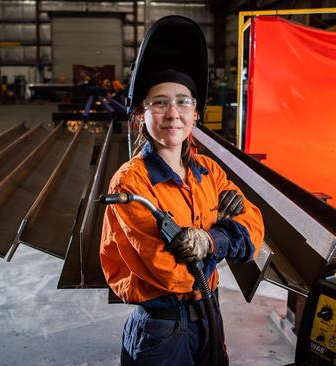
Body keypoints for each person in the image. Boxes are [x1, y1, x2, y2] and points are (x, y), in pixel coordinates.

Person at [100, 16, 264, 366]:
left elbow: (255, 230)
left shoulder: (209, 172)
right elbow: (171, 273)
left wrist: (208, 242)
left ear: (196, 113)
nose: (172, 112)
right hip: (162, 329)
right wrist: (226, 235)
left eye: (183, 101)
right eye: (159, 102)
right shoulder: (131, 184)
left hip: (210, 315)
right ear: (141, 114)